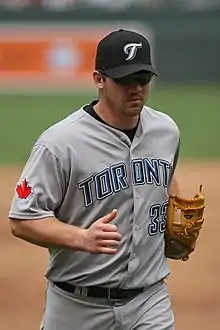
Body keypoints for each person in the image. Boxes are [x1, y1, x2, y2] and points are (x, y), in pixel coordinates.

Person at [9, 29, 180, 330]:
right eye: (125, 80)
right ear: (99, 79)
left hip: (149, 302)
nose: (136, 89)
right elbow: (22, 219)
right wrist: (82, 238)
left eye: (143, 79)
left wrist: (173, 217)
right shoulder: (60, 143)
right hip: (77, 306)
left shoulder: (166, 131)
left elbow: (167, 179)